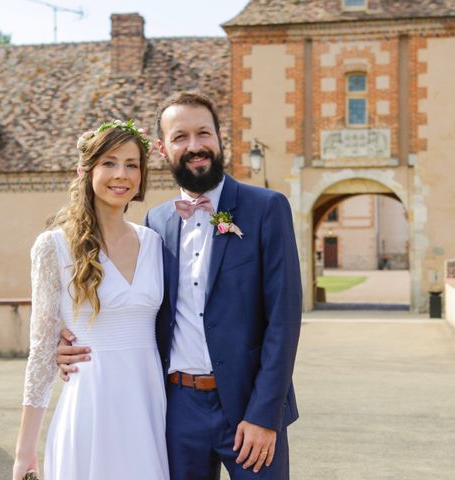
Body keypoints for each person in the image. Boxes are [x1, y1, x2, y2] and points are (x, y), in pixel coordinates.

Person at [58, 92, 303, 479]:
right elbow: (132, 305)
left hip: (249, 408)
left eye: (203, 133)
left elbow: (284, 321)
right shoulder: (155, 225)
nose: (194, 146)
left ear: (221, 139)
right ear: (162, 148)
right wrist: (66, 340)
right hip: (175, 410)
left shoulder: (267, 209)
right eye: (180, 137)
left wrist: (264, 415)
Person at [13, 120, 169, 480]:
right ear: (87, 170)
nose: (122, 174)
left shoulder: (155, 243)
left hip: (149, 407)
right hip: (90, 406)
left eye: (132, 164)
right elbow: (40, 353)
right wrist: (25, 453)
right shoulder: (53, 246)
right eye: (110, 163)